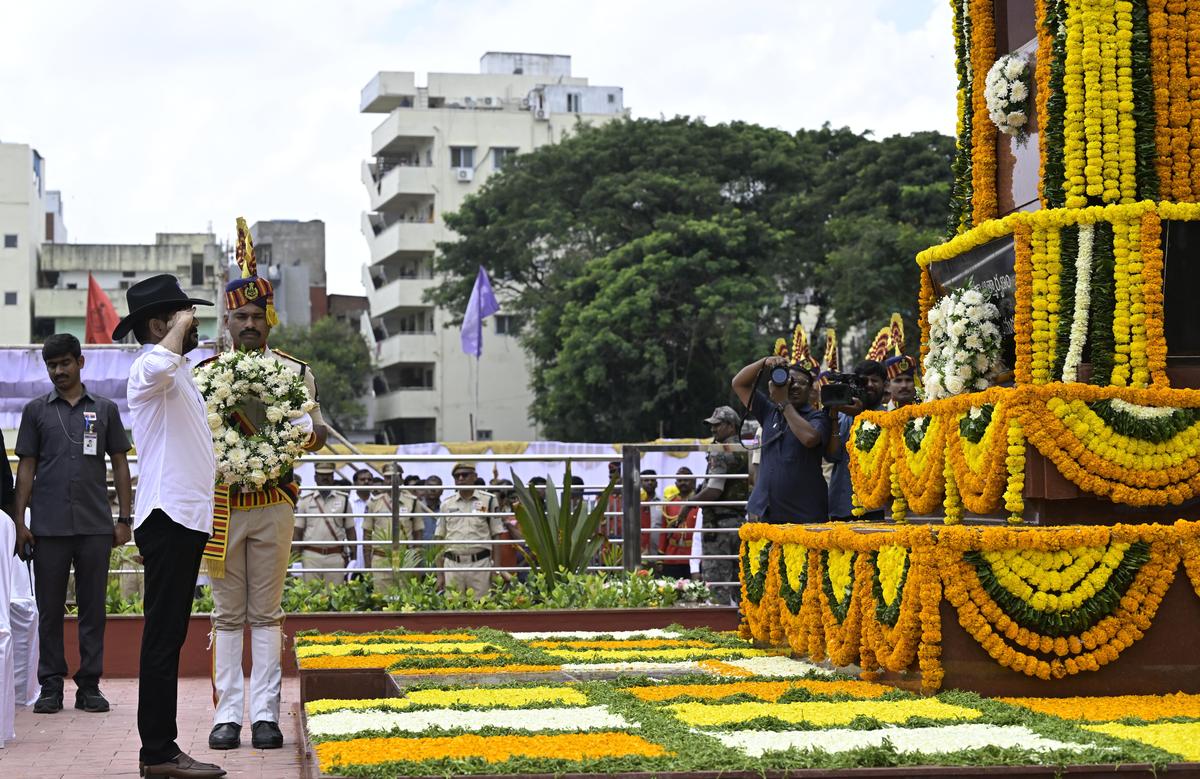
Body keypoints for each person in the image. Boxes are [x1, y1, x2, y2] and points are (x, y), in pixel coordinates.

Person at [206, 219, 328, 752]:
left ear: (269, 321)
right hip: (223, 506)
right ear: (228, 321)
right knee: (227, 613)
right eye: (241, 316)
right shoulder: (205, 374)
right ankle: (227, 715)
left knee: (267, 612)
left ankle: (264, 716)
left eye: (258, 316)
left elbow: (312, 429)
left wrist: (315, 436)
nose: (250, 324)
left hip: (274, 501)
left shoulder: (295, 374)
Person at [116, 274, 225, 778]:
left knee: (169, 634)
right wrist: (176, 330)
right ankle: (158, 752)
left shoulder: (177, 373)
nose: (195, 324)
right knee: (163, 637)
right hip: (168, 519)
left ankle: (160, 749)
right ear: (160, 323)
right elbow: (158, 361)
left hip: (183, 519)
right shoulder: (149, 367)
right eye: (186, 316)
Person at [11, 334, 132, 715]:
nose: (59, 371)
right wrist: (19, 521)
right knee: (49, 609)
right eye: (52, 365)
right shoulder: (35, 412)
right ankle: (50, 686)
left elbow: (121, 464)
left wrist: (125, 519)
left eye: (65, 363)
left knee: (93, 608)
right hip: (47, 527)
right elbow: (25, 468)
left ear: (81, 362)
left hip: (96, 526)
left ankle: (90, 686)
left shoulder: (106, 409)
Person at [732, 356, 830, 524]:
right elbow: (739, 383)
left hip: (803, 513)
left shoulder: (818, 417)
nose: (796, 386)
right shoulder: (769, 412)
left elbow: (809, 439)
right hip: (765, 510)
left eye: (802, 383)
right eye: (791, 381)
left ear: (811, 390)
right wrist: (763, 362)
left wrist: (784, 403)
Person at [675, 407, 749, 604]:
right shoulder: (744, 448)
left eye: (717, 425)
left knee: (717, 586)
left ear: (731, 426)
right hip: (738, 523)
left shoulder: (720, 451)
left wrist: (689, 504)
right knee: (739, 582)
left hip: (718, 528)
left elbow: (714, 490)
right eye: (711, 426)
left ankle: (721, 631)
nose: (713, 430)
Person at [825, 360, 888, 522]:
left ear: (885, 385)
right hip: (841, 506)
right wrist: (833, 416)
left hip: (876, 509)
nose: (869, 385)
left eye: (874, 380)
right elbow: (832, 457)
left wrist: (860, 415)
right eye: (863, 381)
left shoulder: (889, 419)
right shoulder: (841, 416)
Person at [435, 462, 506, 595]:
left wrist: (496, 570)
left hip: (480, 564)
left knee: (481, 610)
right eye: (457, 476)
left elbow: (496, 536)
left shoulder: (489, 501)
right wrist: (440, 574)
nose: (460, 478)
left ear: (474, 477)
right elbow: (439, 538)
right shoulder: (446, 504)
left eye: (465, 475)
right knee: (453, 609)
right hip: (452, 564)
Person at [363, 463, 426, 590]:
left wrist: (417, 565)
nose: (390, 481)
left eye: (394, 477)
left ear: (401, 480)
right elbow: (367, 535)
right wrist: (368, 566)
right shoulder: (374, 503)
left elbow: (418, 535)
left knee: (405, 601)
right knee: (381, 601)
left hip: (404, 558)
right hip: (381, 558)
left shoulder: (412, 502)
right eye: (387, 478)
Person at [293, 462, 351, 583]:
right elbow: (297, 532)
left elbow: (350, 530)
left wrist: (353, 558)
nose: (325, 478)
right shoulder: (305, 501)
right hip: (311, 556)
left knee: (336, 597)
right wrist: (296, 560)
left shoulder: (343, 500)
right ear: (315, 478)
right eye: (321, 475)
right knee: (311, 596)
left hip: (335, 555)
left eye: (328, 475)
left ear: (333, 477)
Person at [657, 467, 698, 580]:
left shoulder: (700, 502)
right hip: (672, 556)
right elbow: (663, 532)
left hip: (692, 556)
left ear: (693, 481)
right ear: (675, 483)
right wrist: (660, 558)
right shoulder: (669, 503)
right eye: (679, 480)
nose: (683, 483)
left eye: (686, 480)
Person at [346, 468, 375, 580]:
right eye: (362, 479)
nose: (366, 482)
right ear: (355, 483)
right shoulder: (348, 503)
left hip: (373, 555)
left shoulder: (377, 503)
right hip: (353, 555)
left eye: (369, 479)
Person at [640, 469, 662, 554]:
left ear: (656, 483)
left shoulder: (663, 502)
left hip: (657, 552)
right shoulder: (634, 504)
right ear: (641, 483)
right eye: (646, 480)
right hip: (639, 552)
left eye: (652, 480)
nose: (650, 482)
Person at [422, 475, 444, 541]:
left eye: (436, 487)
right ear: (424, 489)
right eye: (430, 486)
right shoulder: (416, 508)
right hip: (418, 550)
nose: (432, 489)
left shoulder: (445, 508)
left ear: (442, 490)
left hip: (441, 549)